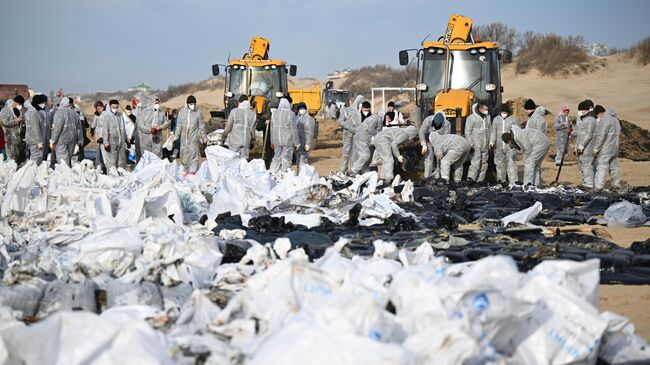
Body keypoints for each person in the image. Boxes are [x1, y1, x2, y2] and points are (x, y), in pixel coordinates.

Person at [592, 105, 621, 190]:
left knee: (602, 166)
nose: (598, 117)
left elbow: (602, 136)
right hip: (615, 148)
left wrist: (596, 148)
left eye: (597, 114)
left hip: (606, 148)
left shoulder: (605, 120)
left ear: (600, 113)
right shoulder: (615, 120)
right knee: (614, 167)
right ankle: (616, 184)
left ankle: (598, 187)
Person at [490, 104, 520, 184]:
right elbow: (493, 131)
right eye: (502, 112)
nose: (504, 114)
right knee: (499, 165)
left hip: (510, 146)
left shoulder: (513, 119)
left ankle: (513, 183)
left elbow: (517, 132)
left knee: (511, 164)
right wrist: (492, 141)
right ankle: (501, 181)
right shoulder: (496, 120)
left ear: (508, 112)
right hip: (498, 146)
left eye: (505, 112)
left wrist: (515, 142)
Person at [174, 95, 206, 172]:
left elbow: (202, 127)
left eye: (194, 104)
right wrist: (176, 136)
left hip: (193, 139)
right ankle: (184, 175)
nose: (193, 106)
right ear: (187, 104)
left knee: (194, 157)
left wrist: (204, 137)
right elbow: (178, 126)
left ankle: (193, 173)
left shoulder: (198, 113)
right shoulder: (182, 112)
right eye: (191, 104)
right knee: (183, 157)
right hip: (184, 140)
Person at [268, 98, 299, 173]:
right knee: (286, 158)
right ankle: (284, 174)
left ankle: (271, 172)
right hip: (287, 140)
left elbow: (272, 129)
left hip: (277, 140)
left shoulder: (274, 113)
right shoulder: (291, 114)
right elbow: (293, 130)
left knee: (276, 157)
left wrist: (272, 141)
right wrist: (296, 142)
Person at [49, 97, 81, 167]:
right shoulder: (74, 113)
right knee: (69, 158)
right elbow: (79, 128)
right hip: (72, 140)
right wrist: (80, 140)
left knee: (62, 160)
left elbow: (57, 129)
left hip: (61, 140)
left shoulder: (59, 112)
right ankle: (68, 174)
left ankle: (65, 175)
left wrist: (53, 140)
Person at [98, 100, 128, 172]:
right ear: (110, 106)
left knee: (121, 160)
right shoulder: (107, 116)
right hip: (111, 142)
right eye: (113, 107)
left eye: (116, 107)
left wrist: (126, 139)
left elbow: (123, 128)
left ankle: (121, 175)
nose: (115, 109)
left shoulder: (120, 115)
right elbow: (105, 130)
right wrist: (106, 142)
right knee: (112, 160)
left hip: (121, 141)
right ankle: (112, 175)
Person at [420, 110, 451, 178]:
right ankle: (427, 177)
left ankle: (439, 177)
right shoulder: (428, 120)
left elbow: (446, 138)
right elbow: (422, 132)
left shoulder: (447, 124)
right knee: (429, 159)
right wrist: (423, 144)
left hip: (440, 143)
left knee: (440, 159)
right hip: (429, 142)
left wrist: (440, 149)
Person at [337, 95, 364, 174]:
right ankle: (342, 171)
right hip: (348, 135)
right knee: (346, 153)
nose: (361, 104)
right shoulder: (347, 110)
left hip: (357, 136)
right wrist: (350, 128)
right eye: (360, 102)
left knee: (355, 154)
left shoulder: (361, 113)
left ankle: (352, 172)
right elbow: (340, 121)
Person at [465, 102, 491, 182]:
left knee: (484, 164)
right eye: (484, 109)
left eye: (487, 109)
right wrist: (470, 144)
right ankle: (471, 180)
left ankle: (480, 181)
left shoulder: (488, 117)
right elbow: (467, 132)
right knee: (475, 164)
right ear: (479, 109)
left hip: (485, 145)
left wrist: (490, 142)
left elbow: (489, 130)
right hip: (476, 145)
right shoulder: (471, 118)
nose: (485, 111)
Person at [575, 101, 597, 189]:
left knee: (587, 165)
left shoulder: (590, 119)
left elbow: (589, 134)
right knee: (582, 165)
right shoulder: (585, 119)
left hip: (587, 147)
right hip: (582, 146)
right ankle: (585, 182)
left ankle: (589, 184)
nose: (581, 111)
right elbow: (580, 132)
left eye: (582, 110)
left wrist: (581, 146)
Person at [0, 95, 26, 164]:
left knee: (17, 158)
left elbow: (22, 120)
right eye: (19, 104)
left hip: (18, 138)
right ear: (15, 102)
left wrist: (22, 121)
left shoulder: (19, 110)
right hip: (9, 138)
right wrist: (16, 121)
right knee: (10, 158)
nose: (19, 106)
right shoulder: (5, 110)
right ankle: (10, 172)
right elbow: (4, 123)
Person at [24, 95, 48, 165]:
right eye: (42, 103)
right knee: (36, 159)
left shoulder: (33, 111)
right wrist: (39, 141)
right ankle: (32, 173)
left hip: (33, 139)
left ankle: (34, 172)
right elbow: (35, 127)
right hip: (35, 141)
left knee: (36, 158)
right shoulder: (33, 113)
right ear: (38, 103)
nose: (43, 104)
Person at [295, 102, 315, 170]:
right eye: (300, 109)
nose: (302, 110)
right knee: (298, 159)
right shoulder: (297, 118)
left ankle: (303, 174)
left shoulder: (309, 119)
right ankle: (299, 173)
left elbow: (310, 132)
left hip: (304, 142)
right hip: (298, 143)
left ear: (306, 109)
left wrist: (308, 144)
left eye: (303, 108)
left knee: (303, 159)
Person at [91, 101, 105, 171]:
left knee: (101, 150)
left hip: (100, 134)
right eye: (97, 108)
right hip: (100, 134)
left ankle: (100, 164)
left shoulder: (98, 115)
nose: (98, 110)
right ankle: (101, 164)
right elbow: (93, 125)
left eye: (99, 108)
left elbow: (93, 125)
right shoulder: (105, 113)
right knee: (101, 150)